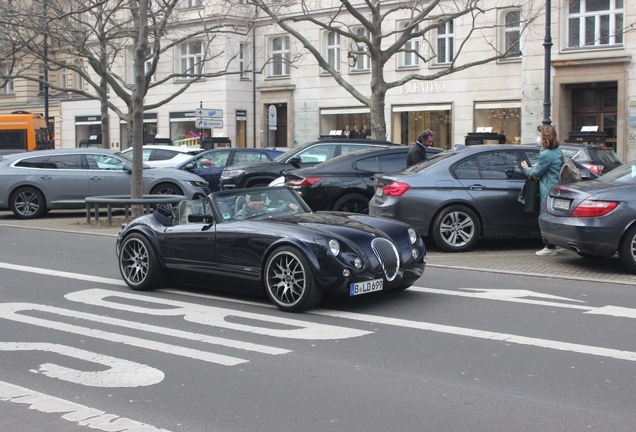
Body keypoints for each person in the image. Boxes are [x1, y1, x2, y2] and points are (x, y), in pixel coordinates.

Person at [520, 125, 564, 256]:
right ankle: (556, 243)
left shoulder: (546, 154)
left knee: (545, 216)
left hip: (548, 188)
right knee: (554, 216)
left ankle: (549, 246)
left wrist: (526, 168)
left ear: (546, 138)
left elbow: (537, 173)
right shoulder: (557, 150)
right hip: (556, 186)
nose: (539, 138)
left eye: (541, 136)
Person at [234, 192, 300, 220]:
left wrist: (288, 205)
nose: (261, 203)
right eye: (257, 200)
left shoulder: (264, 210)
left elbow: (276, 212)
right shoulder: (241, 216)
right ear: (248, 202)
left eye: (262, 199)